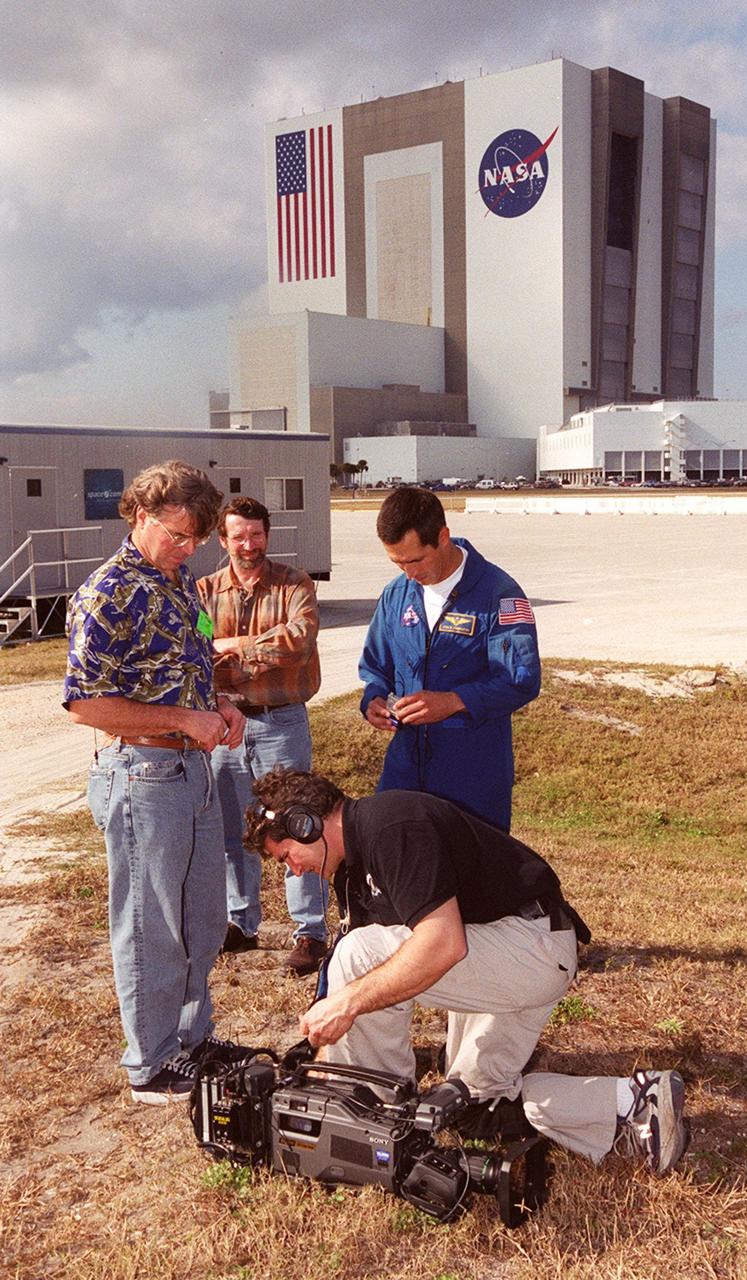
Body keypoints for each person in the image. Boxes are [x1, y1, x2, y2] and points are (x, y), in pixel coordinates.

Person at [244, 768, 691, 1176]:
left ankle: (375, 1124)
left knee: (360, 956)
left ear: (307, 823)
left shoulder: (391, 825)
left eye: (286, 855)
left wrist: (345, 1004)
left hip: (529, 945)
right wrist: (321, 1058)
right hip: (501, 956)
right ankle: (634, 1101)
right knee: (472, 1107)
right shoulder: (352, 871)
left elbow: (441, 944)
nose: (293, 870)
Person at [64, 460, 247, 1104]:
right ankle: (149, 1061)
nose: (190, 548)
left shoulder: (179, 583)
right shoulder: (108, 592)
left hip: (192, 769)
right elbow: (85, 703)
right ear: (140, 514)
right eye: (178, 534)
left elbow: (195, 663)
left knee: (201, 917)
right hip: (144, 775)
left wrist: (219, 706)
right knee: (149, 922)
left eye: (198, 538)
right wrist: (182, 719)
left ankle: (193, 1039)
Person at [359, 486, 541, 832]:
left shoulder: (499, 594)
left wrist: (454, 701)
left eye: (415, 560)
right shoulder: (396, 594)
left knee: (472, 879)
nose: (409, 573)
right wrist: (373, 700)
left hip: (472, 775)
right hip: (405, 771)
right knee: (401, 871)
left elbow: (521, 679)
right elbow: (375, 668)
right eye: (397, 562)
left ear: (443, 537)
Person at [197, 497, 325, 973]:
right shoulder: (205, 591)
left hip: (282, 722)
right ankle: (241, 924)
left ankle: (310, 932)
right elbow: (199, 650)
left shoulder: (295, 584)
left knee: (297, 824)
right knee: (234, 831)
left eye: (256, 535)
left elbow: (298, 640)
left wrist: (235, 648)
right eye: (238, 536)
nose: (248, 545)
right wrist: (246, 655)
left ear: (267, 535)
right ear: (223, 539)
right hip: (226, 724)